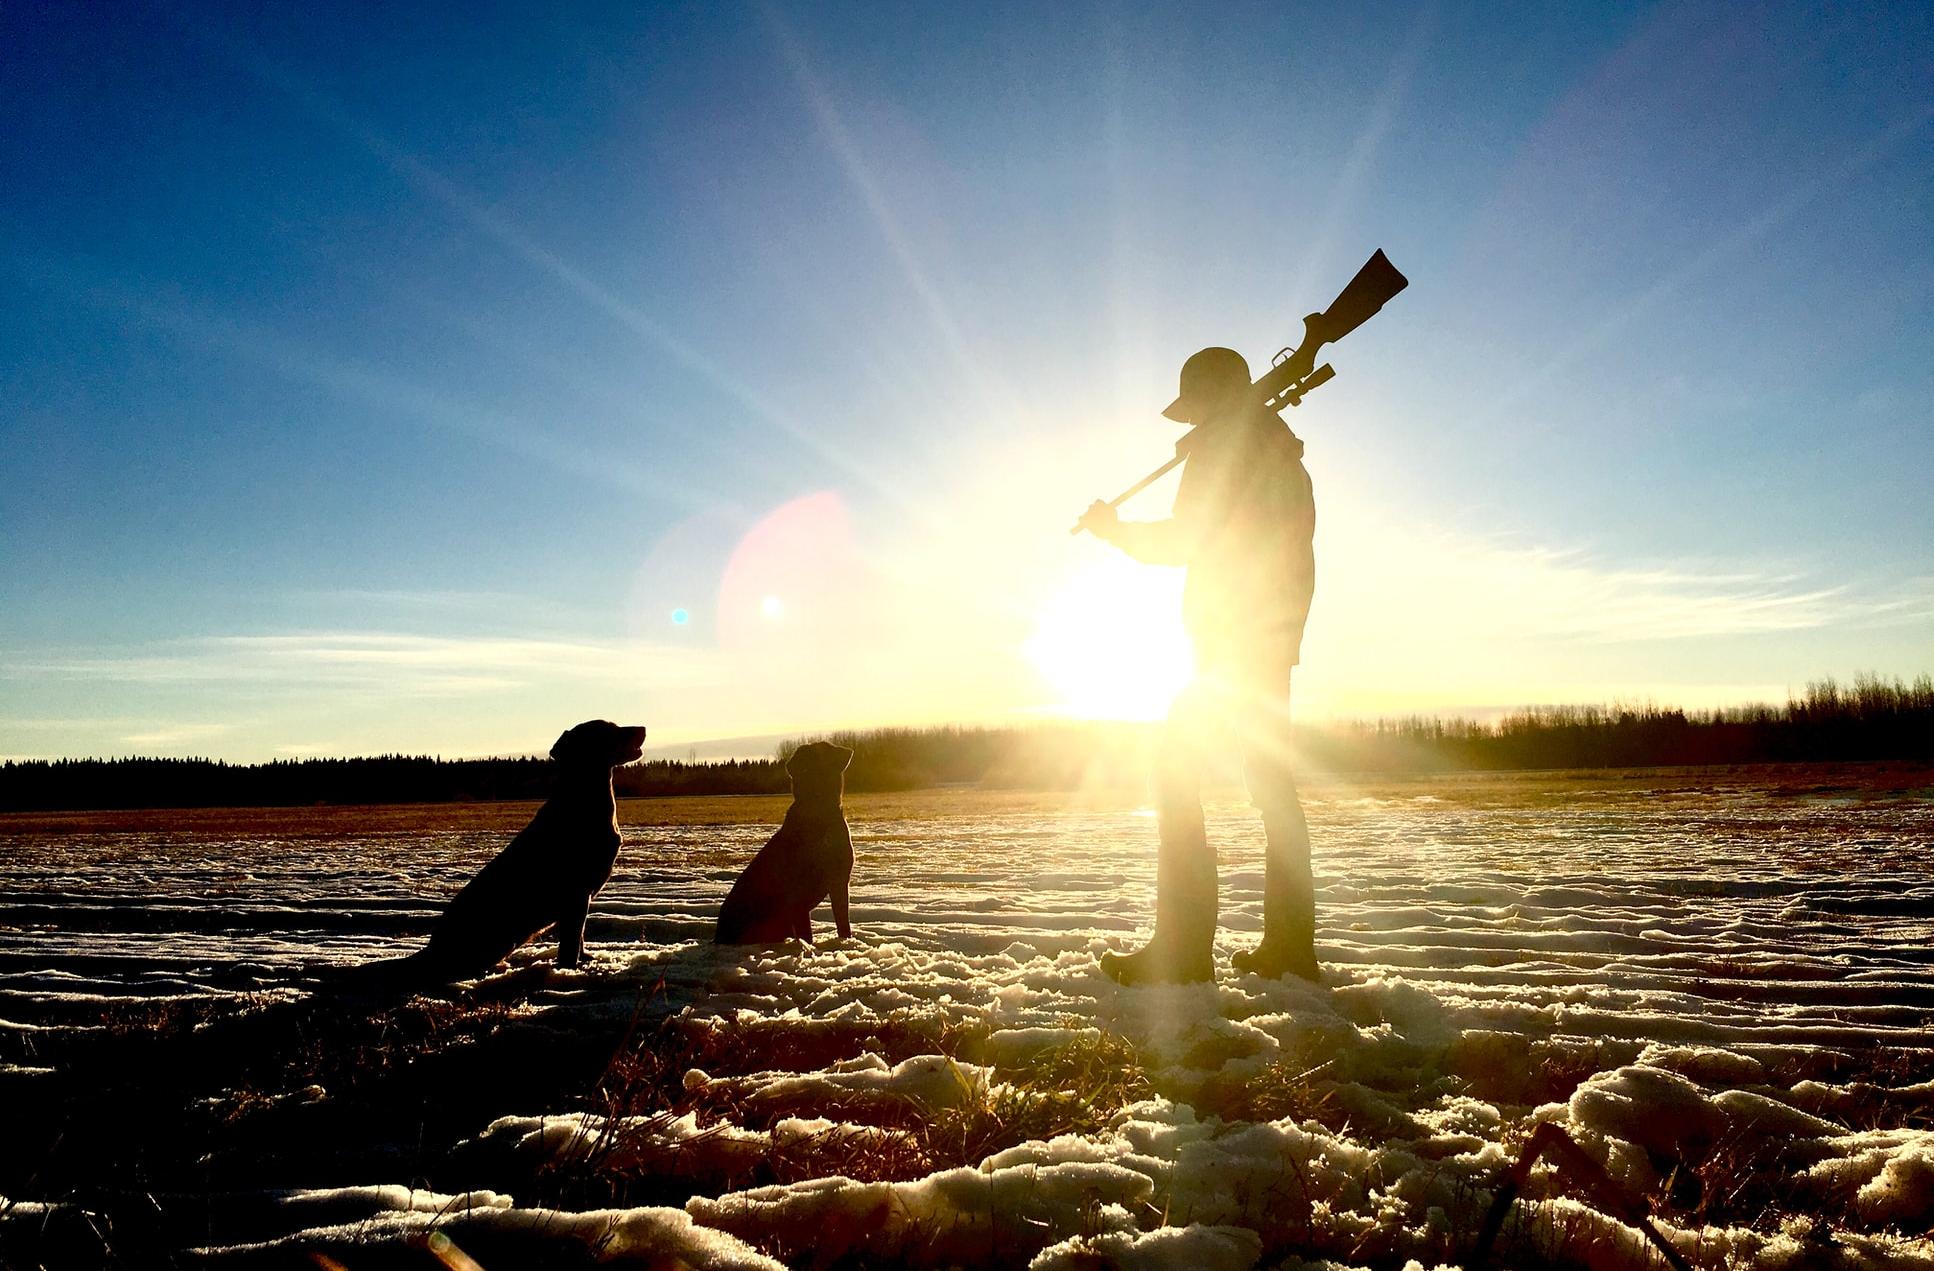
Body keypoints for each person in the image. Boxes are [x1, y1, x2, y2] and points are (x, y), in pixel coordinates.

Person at [1080, 346, 1320, 985]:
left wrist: (1115, 529)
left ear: (1213, 401)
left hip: (1227, 646)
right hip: (1270, 643)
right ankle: (1292, 950)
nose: (1188, 426)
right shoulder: (1275, 449)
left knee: (1175, 772)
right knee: (1274, 790)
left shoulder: (1226, 452)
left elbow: (1187, 541)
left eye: (1195, 411)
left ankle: (1182, 952)